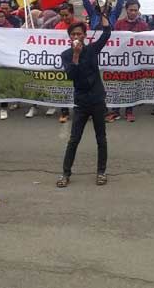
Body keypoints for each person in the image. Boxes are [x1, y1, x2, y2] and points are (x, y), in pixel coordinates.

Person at [56, 16, 111, 188]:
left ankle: (101, 172)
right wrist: (76, 55)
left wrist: (103, 15)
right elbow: (71, 75)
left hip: (97, 100)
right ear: (69, 37)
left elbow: (106, 34)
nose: (76, 37)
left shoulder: (93, 49)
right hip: (81, 102)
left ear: (85, 36)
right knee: (74, 139)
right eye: (73, 34)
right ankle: (66, 173)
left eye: (79, 34)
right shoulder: (66, 55)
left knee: (101, 138)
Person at [107, 0, 149, 122]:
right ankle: (115, 111)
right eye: (131, 10)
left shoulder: (143, 25)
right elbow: (114, 41)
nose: (133, 12)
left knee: (131, 85)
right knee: (118, 85)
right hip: (121, 60)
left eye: (136, 10)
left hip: (135, 61)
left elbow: (147, 43)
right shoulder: (119, 24)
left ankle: (129, 111)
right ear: (126, 10)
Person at [54, 2, 84, 123]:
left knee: (81, 86)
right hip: (66, 60)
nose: (64, 18)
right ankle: (64, 112)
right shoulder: (58, 27)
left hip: (80, 59)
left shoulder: (80, 26)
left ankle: (82, 111)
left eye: (66, 15)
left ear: (72, 13)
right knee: (64, 85)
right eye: (62, 15)